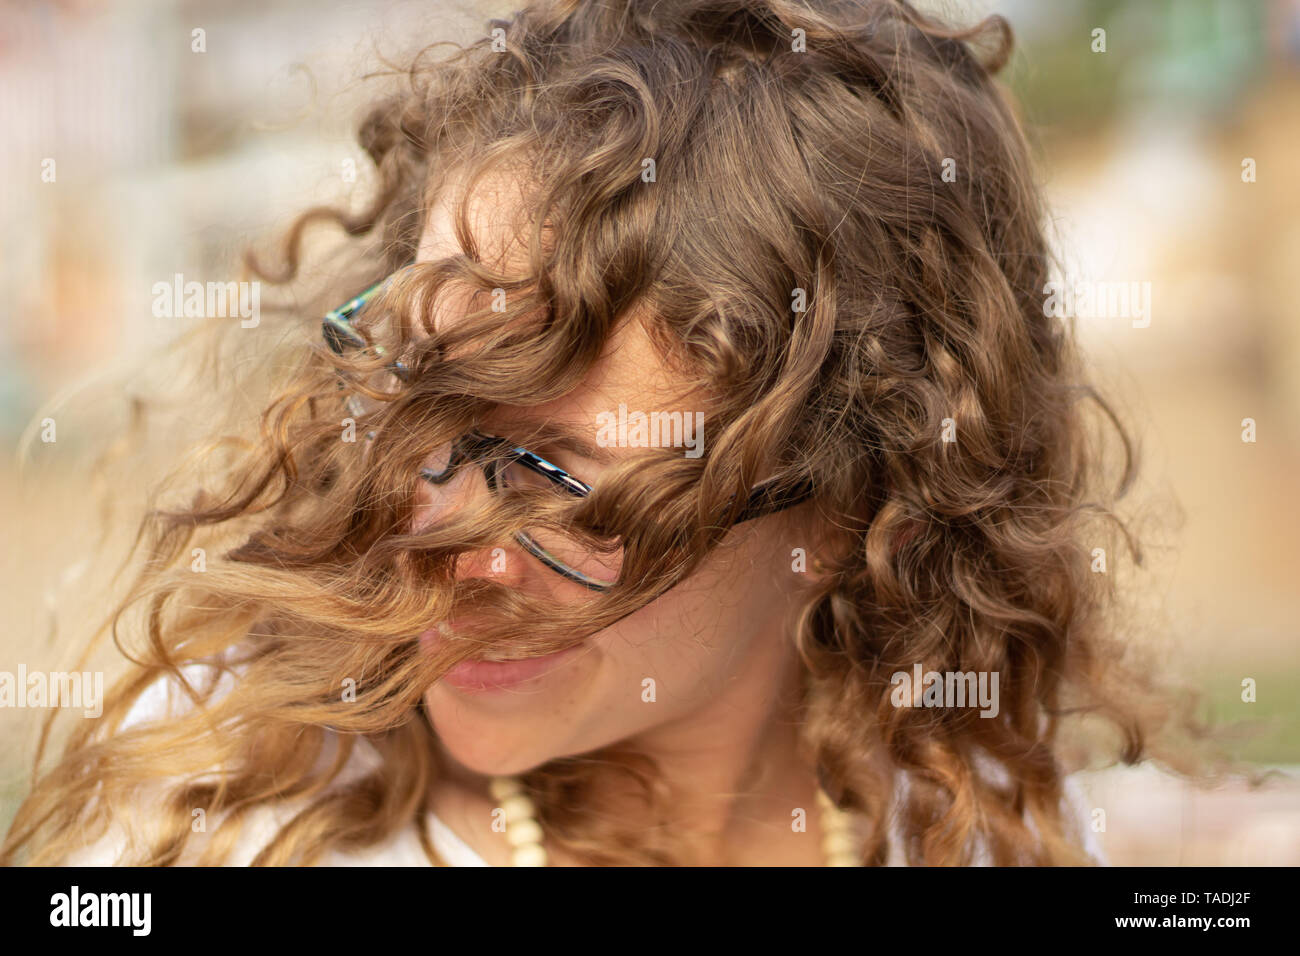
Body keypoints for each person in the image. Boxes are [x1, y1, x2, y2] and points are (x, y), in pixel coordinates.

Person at [5, 0, 1177, 867]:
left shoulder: (963, 821)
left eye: (567, 484)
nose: (444, 540)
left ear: (858, 503)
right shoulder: (228, 814)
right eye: (417, 406)